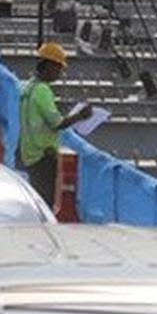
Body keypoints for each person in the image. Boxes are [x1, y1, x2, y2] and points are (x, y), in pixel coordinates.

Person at [19, 42, 93, 209]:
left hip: (29, 152)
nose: (60, 72)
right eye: (58, 68)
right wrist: (80, 116)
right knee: (46, 202)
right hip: (43, 155)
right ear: (48, 66)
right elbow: (57, 123)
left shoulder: (28, 87)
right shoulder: (42, 91)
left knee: (37, 200)